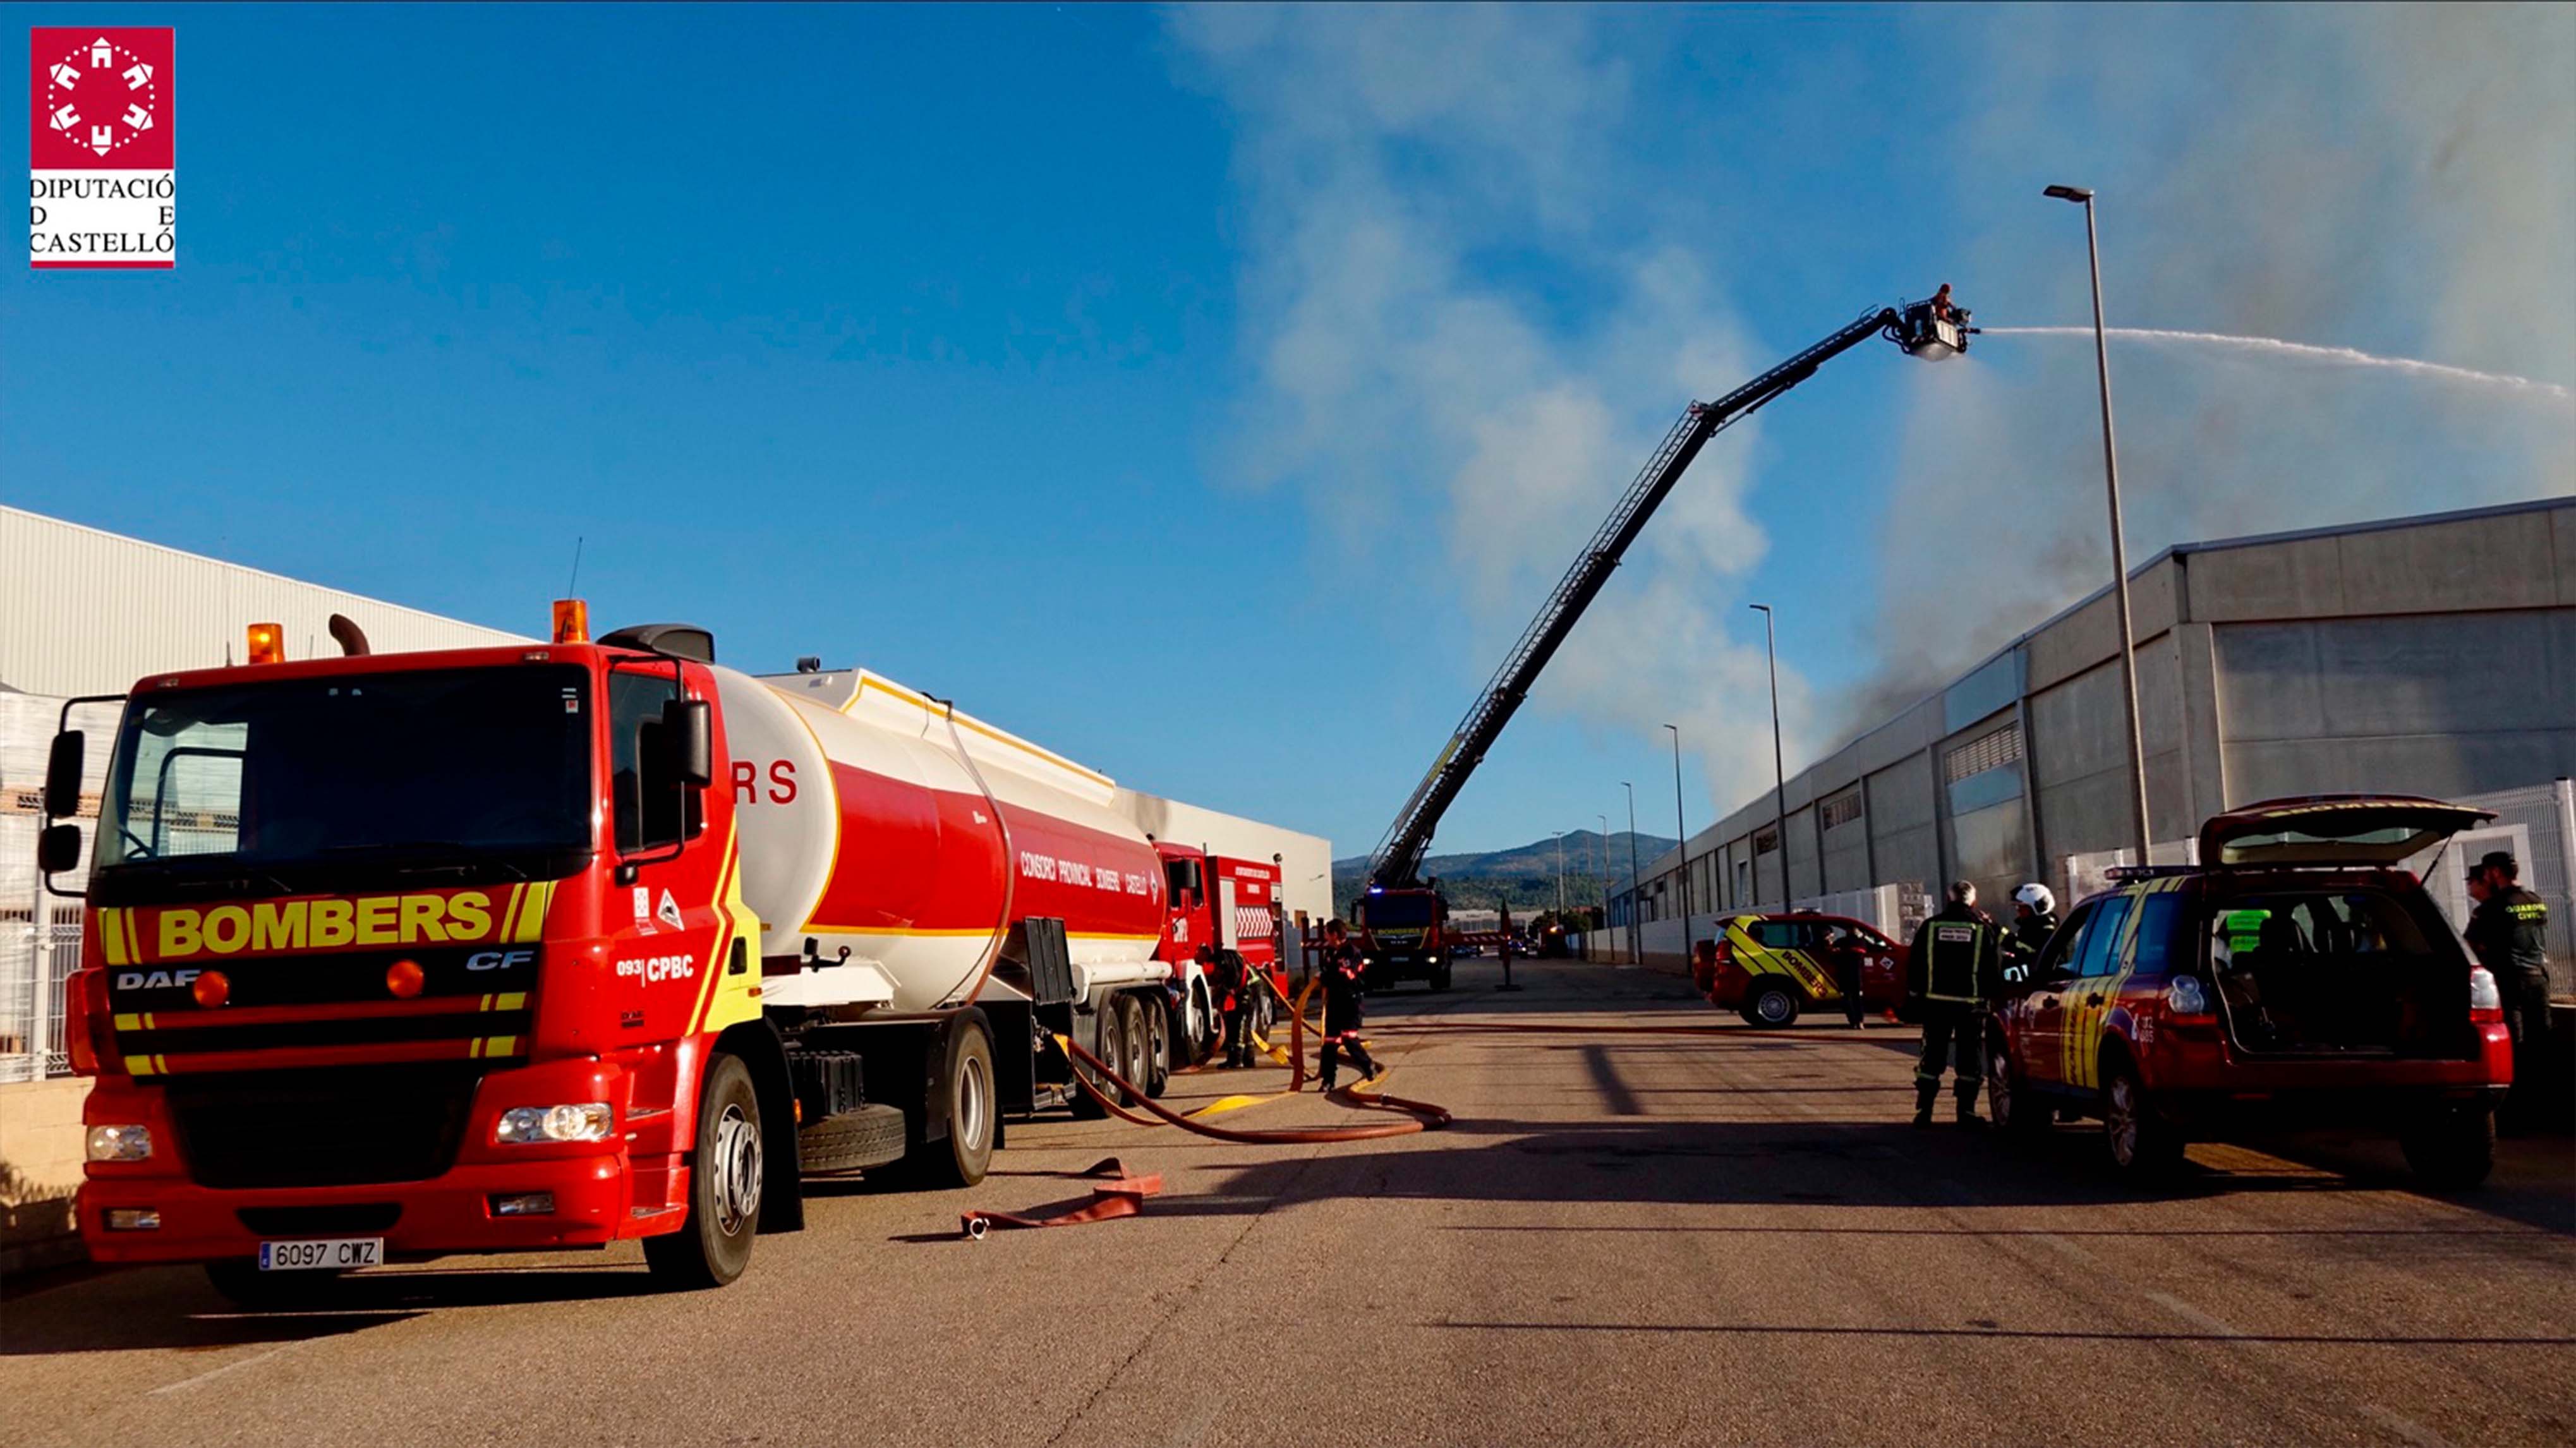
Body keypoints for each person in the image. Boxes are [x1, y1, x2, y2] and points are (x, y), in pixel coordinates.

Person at [1903, 881, 2004, 1127]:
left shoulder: (1931, 926)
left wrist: (1915, 997)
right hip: (1971, 1007)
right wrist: (1992, 999)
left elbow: (1915, 964)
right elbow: (1993, 969)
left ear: (1949, 899)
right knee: (1969, 1059)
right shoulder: (1982, 929)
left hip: (1935, 1005)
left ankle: (1924, 1112)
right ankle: (1966, 1113)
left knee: (1932, 1058)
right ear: (1973, 902)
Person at [2464, 850, 2552, 1128]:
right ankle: (2543, 1111)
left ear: (2495, 873)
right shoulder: (2535, 900)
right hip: (2538, 980)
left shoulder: (2491, 908)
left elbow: (2471, 945)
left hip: (2509, 981)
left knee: (2513, 1046)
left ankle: (2515, 1116)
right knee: (2540, 1044)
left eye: (2485, 872)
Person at [1317, 919, 1382, 1090]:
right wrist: (1324, 978)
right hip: (1334, 1002)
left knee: (1349, 1038)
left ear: (1335, 935)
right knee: (1330, 1043)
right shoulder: (1330, 952)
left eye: (1327, 933)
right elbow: (1328, 972)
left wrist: (1325, 977)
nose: (1325, 936)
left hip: (1350, 1002)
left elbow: (1344, 976)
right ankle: (1328, 1081)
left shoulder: (1351, 952)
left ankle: (1368, 1066)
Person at [1214, 950, 1257, 1070]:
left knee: (1240, 1024)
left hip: (1248, 991)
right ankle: (1249, 1059)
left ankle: (1237, 1060)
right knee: (1243, 1025)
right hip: (1247, 990)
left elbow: (1229, 984)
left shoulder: (1230, 966)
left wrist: (1219, 998)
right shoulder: (1231, 962)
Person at [2008, 883, 2060, 977]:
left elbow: (2028, 950)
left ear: (2040, 907)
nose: (2019, 911)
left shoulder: (2048, 932)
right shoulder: (2030, 929)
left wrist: (2000, 933)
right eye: (2018, 907)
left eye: (2023, 908)